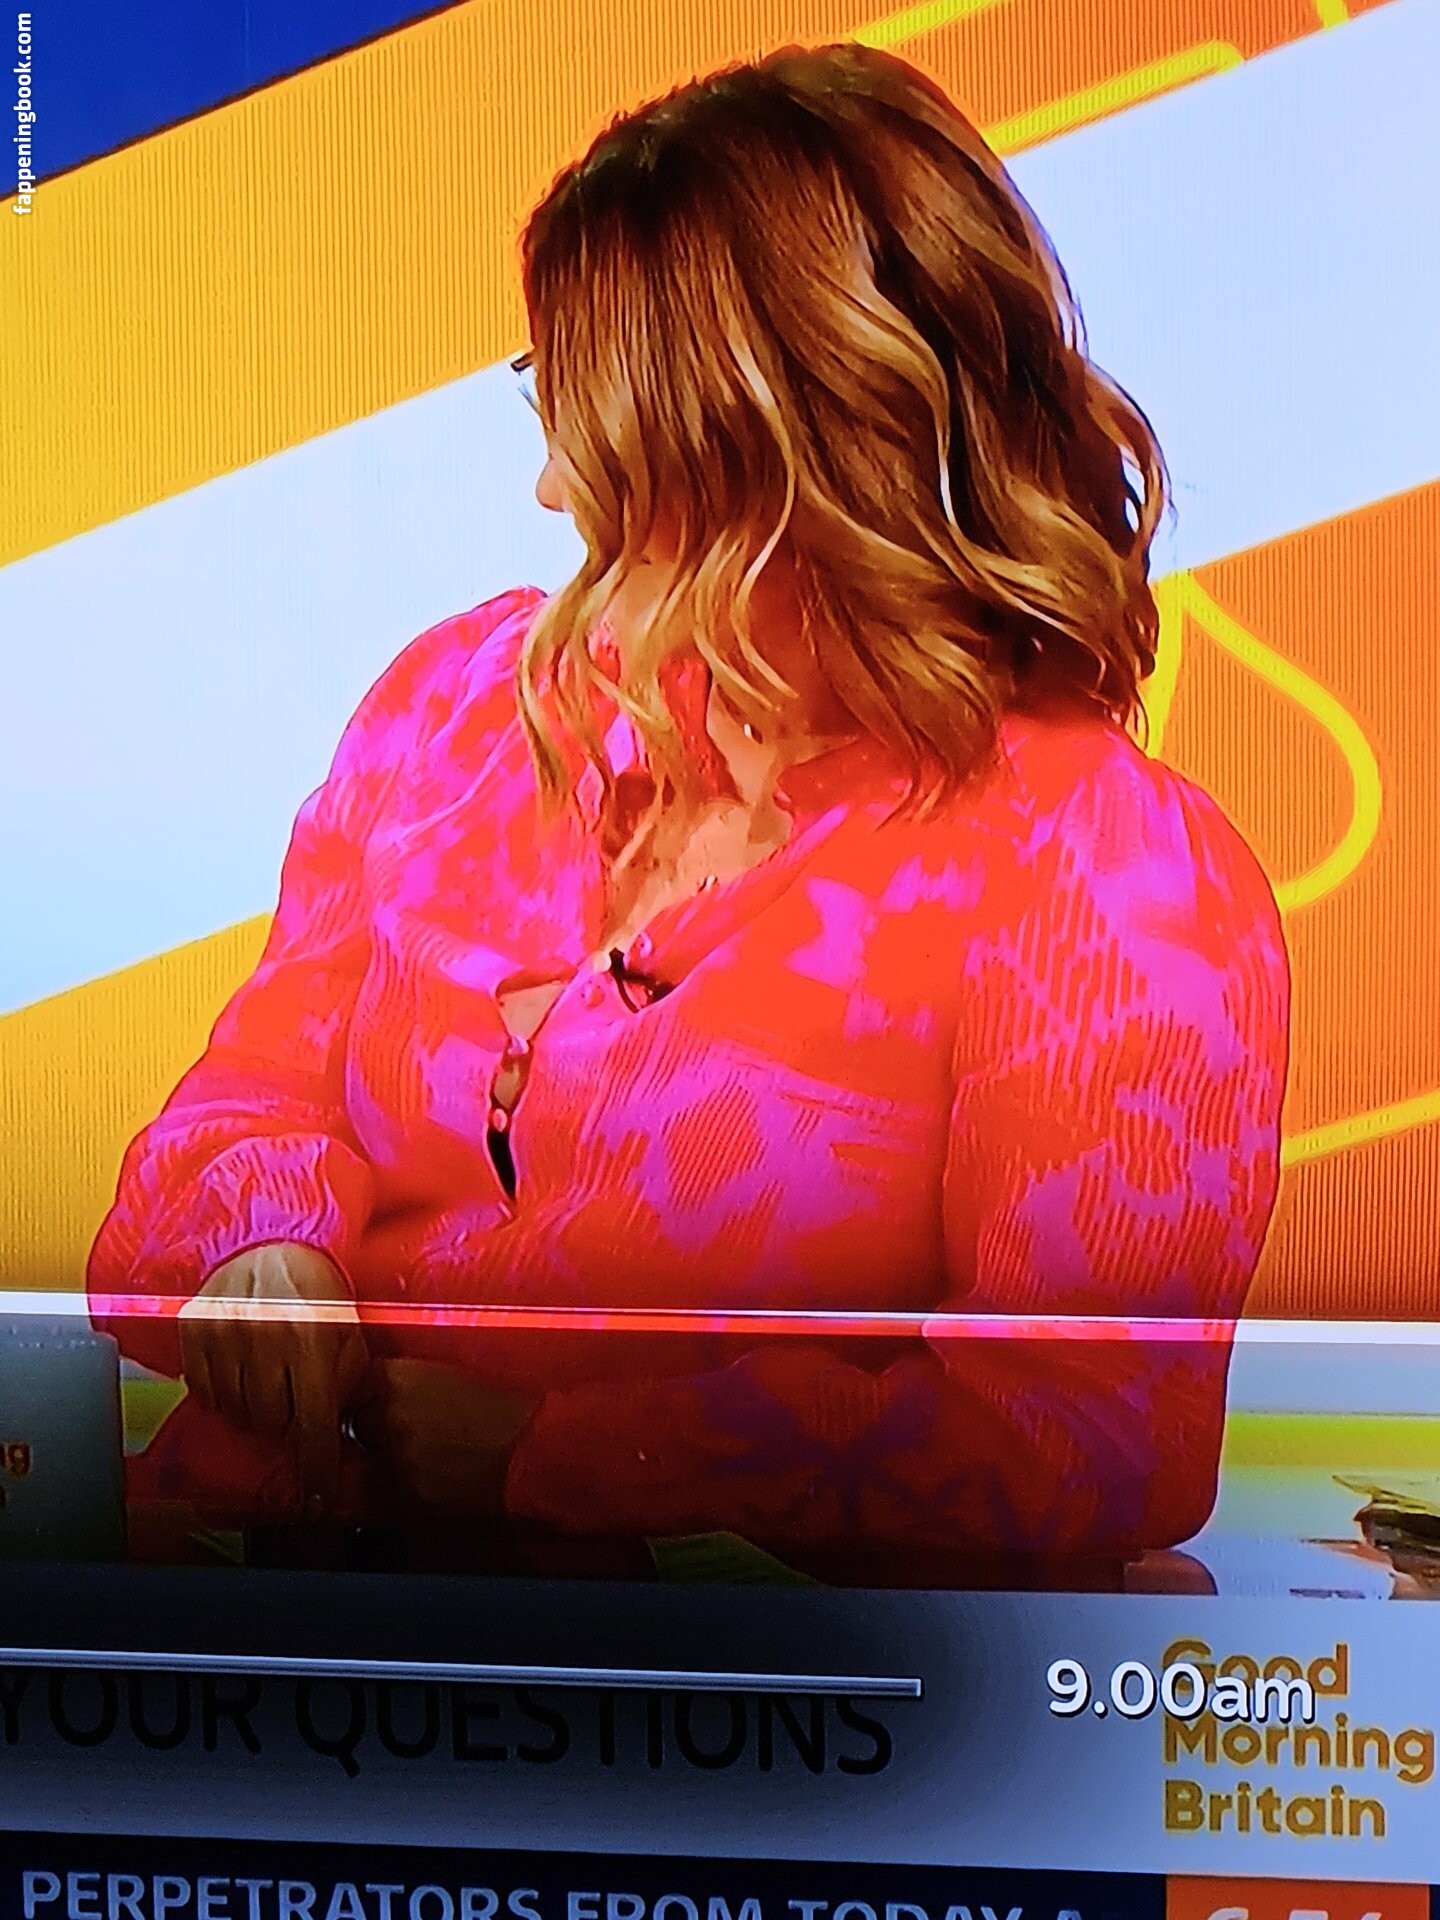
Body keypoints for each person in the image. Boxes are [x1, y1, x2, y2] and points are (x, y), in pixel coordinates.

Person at [87, 40, 1290, 1575]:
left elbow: (1096, 1437)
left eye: (591, 421)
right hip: (237, 1606)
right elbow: (239, 1104)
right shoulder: (458, 705)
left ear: (776, 454)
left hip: (711, 1683)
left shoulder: (1106, 870)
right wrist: (260, 1246)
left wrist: (571, 1458)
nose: (547, 490)